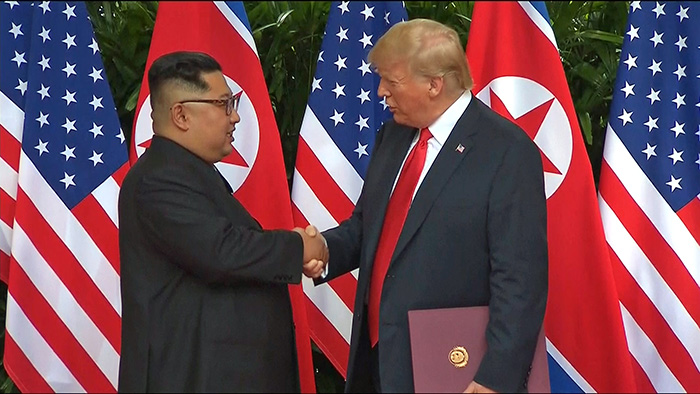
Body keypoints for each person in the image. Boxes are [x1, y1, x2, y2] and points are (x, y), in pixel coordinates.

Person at [309, 19, 548, 393]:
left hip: (455, 370)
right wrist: (324, 248)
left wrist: (495, 377)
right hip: (378, 362)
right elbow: (368, 226)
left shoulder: (507, 151)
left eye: (392, 81)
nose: (381, 92)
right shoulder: (394, 135)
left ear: (434, 84)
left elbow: (520, 280)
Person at [117, 51, 327, 393]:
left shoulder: (190, 173)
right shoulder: (158, 180)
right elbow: (222, 251)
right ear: (181, 114)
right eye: (224, 104)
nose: (235, 118)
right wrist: (298, 246)